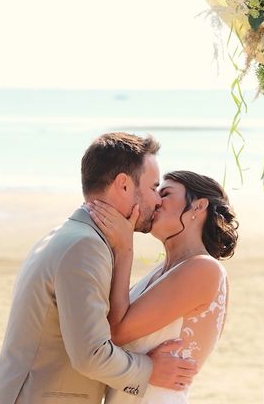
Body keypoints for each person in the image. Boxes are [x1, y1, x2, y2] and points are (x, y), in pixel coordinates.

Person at [0, 133, 198, 403]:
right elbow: (90, 354)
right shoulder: (85, 247)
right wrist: (151, 370)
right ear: (123, 185)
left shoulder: (71, 235)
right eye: (153, 187)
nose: (157, 200)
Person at [89, 170, 238, 403]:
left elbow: (115, 332)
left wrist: (124, 248)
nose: (155, 201)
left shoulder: (203, 270)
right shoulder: (162, 271)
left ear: (199, 207)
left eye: (165, 193)